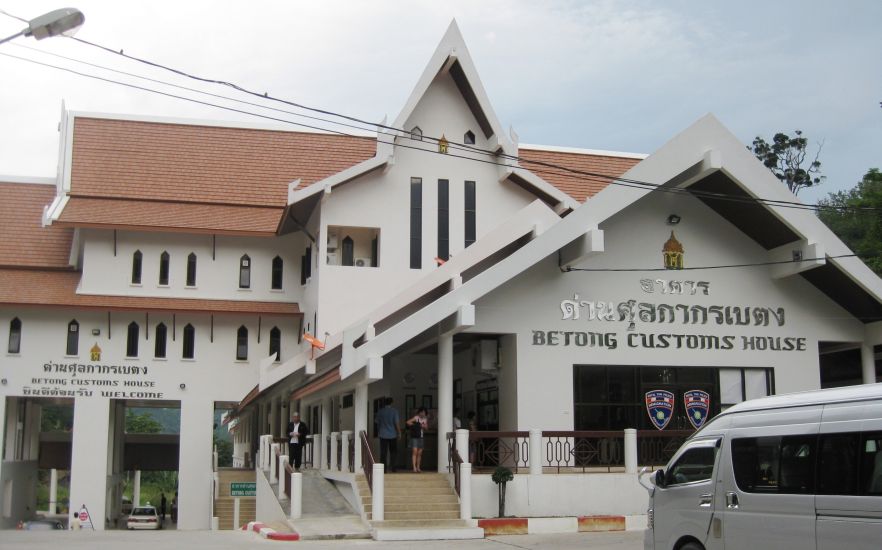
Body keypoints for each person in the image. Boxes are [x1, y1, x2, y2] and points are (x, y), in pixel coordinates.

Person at [375, 397, 400, 472]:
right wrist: (399, 433)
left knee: (383, 452)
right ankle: (393, 468)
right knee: (393, 452)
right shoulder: (394, 411)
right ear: (391, 403)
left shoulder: (380, 411)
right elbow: (397, 423)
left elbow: (377, 422)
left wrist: (379, 431)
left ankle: (383, 469)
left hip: (382, 434)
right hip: (392, 435)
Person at [406, 407, 429, 473]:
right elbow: (408, 422)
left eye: (424, 412)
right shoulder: (416, 418)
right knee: (415, 452)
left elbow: (427, 428)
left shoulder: (425, 419)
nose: (423, 413)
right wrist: (416, 425)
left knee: (419, 453)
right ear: (419, 412)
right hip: (414, 437)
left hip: (421, 437)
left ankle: (418, 467)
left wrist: (424, 426)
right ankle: (414, 467)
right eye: (421, 412)